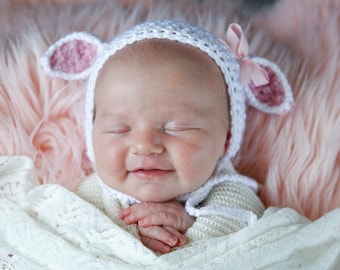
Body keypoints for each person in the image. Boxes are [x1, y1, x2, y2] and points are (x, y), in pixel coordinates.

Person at [40, 19, 294, 254]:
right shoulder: (92, 193)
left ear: (225, 140)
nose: (144, 146)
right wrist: (135, 234)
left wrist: (188, 226)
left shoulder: (229, 191)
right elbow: (66, 242)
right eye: (120, 129)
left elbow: (248, 233)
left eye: (177, 128)